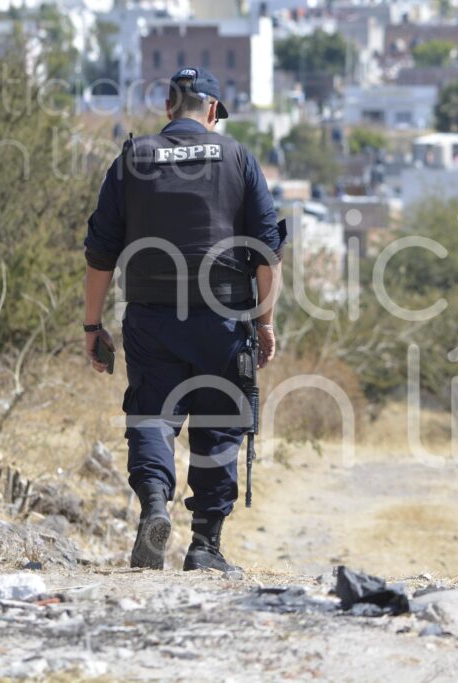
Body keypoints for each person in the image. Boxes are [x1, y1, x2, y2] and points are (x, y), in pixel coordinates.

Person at [82, 67, 284, 571]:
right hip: (224, 319)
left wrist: (92, 326)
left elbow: (100, 253)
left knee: (152, 415)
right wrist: (264, 323)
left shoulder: (133, 157)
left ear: (169, 108)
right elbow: (267, 252)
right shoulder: (237, 157)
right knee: (218, 427)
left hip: (150, 318)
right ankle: (205, 548)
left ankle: (154, 505)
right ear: (212, 111)